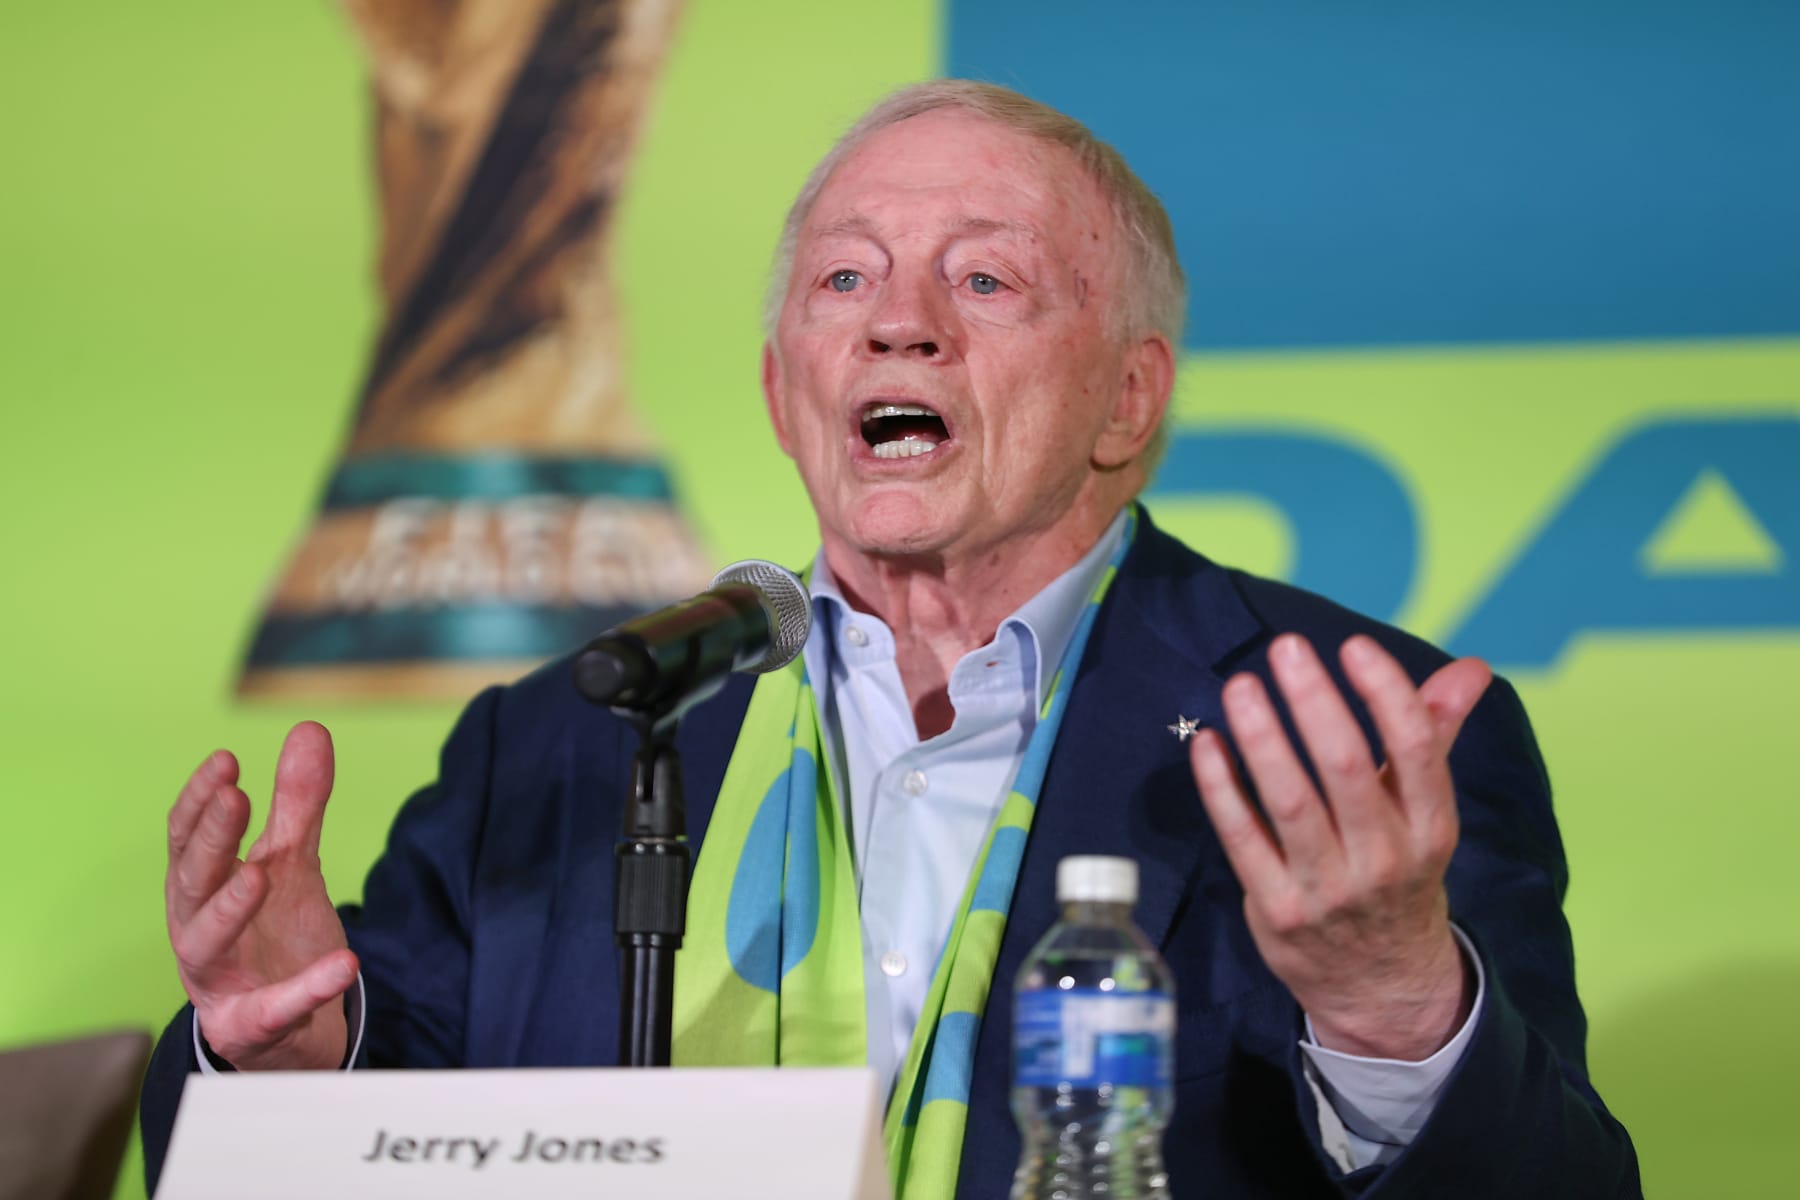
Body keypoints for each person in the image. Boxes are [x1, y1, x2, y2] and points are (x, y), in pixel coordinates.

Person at [142, 81, 1641, 1197]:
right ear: (783, 388)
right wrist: (284, 1058)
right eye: (844, 278)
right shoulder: (563, 742)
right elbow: (357, 1129)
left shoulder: (1346, 742)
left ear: (1128, 400)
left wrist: (1390, 1008)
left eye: (984, 279)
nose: (898, 323)